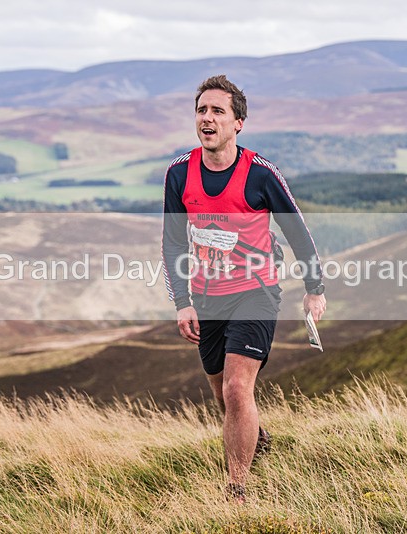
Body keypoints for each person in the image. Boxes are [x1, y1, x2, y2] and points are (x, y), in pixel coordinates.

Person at [161, 74, 326, 501]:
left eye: (218, 111)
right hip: (206, 297)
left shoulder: (260, 174)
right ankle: (258, 438)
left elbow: (296, 230)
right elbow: (173, 242)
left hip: (256, 291)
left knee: (237, 388)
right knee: (223, 393)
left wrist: (314, 287)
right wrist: (182, 302)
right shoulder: (179, 174)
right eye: (201, 110)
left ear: (238, 123)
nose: (207, 118)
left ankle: (237, 489)